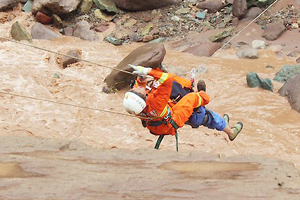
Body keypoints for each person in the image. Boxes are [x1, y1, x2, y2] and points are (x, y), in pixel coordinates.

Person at [123, 64, 243, 148]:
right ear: (143, 99)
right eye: (139, 89)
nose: (138, 87)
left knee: (164, 88)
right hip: (174, 120)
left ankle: (222, 122)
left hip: (160, 122)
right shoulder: (155, 104)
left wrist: (141, 78)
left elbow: (138, 91)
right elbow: (167, 79)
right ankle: (230, 132)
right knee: (202, 112)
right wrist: (149, 71)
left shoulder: (138, 106)